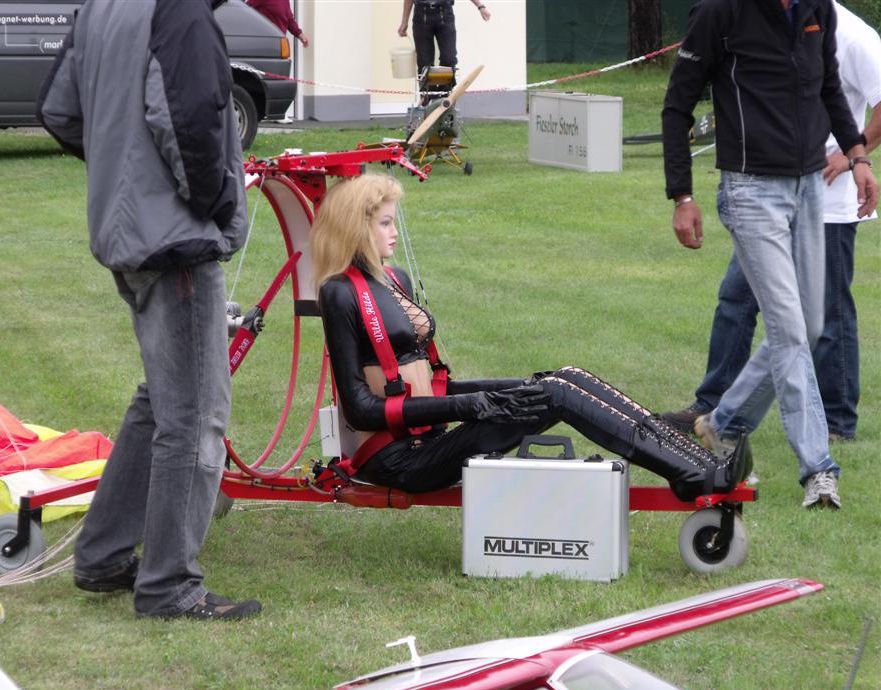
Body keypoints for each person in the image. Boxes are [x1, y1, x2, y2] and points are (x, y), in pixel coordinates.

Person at [311, 174, 751, 500]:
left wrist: (492, 394)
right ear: (357, 228)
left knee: (565, 379)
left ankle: (698, 464)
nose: (393, 232)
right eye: (385, 223)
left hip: (432, 433)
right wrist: (470, 405)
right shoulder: (339, 293)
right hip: (398, 458)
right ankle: (692, 474)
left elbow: (431, 383)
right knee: (556, 395)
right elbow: (361, 408)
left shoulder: (394, 279)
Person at [38, 0, 260, 620]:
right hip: (174, 240)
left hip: (130, 232)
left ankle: (104, 555)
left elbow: (59, 111)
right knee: (194, 415)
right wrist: (216, 202)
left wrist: (123, 167)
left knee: (162, 399)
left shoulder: (100, 8)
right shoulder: (179, 12)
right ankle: (169, 587)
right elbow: (191, 127)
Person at [662, 0, 877, 509]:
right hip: (749, 192)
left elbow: (829, 86)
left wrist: (858, 155)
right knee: (789, 330)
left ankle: (723, 423)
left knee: (811, 326)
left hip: (810, 188)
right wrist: (682, 196)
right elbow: (677, 105)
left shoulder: (818, 9)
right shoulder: (720, 12)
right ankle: (819, 470)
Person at [397, 0, 490, 73]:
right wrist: (404, 21)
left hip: (445, 13)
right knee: (424, 62)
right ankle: (428, 91)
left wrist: (480, 6)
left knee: (449, 59)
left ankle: (444, 90)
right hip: (421, 15)